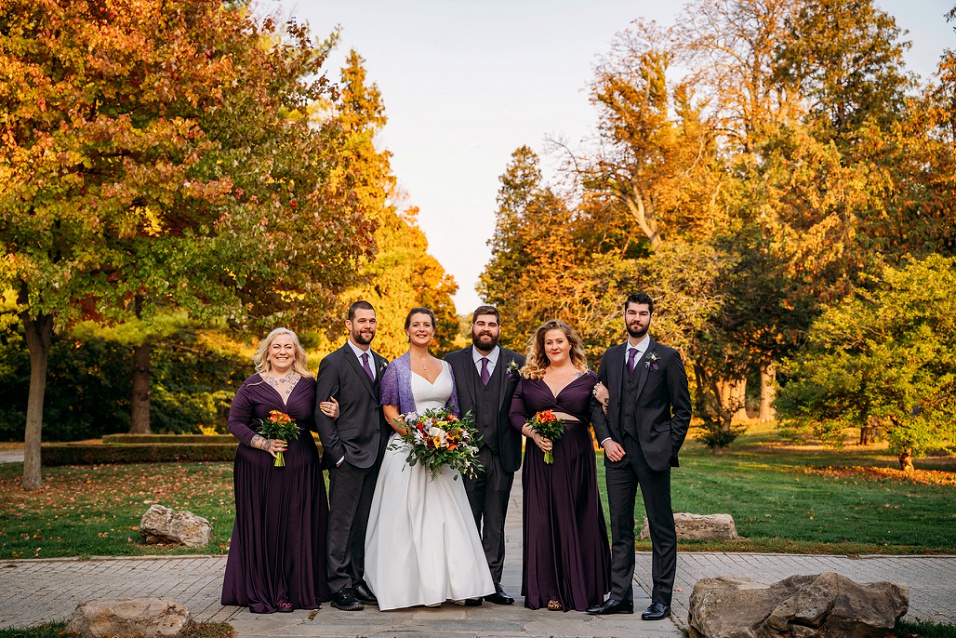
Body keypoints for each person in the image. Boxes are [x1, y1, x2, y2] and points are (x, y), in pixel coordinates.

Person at [364, 307, 495, 610]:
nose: (421, 329)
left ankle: (457, 584)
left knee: (448, 518)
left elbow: (454, 409)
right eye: (416, 325)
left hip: (444, 451)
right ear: (407, 330)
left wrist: (449, 438)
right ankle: (412, 588)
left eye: (427, 325)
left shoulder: (446, 367)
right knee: (407, 518)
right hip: (409, 452)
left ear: (433, 331)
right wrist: (418, 437)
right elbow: (389, 410)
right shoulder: (395, 368)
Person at [587, 292, 692, 621]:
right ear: (624, 315)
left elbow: (683, 410)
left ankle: (661, 599)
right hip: (617, 454)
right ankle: (620, 596)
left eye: (642, 314)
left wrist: (667, 446)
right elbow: (596, 401)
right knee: (620, 527)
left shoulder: (667, 357)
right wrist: (604, 439)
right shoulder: (612, 355)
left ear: (650, 318)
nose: (636, 318)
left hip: (652, 454)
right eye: (631, 313)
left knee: (661, 528)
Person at [221, 328, 332, 614]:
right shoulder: (252, 385)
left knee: (298, 525)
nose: (282, 352)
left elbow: (316, 423)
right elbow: (235, 423)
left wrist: (335, 413)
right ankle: (272, 589)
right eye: (277, 347)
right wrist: (264, 443)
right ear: (267, 351)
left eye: (288, 347)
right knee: (269, 525)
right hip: (260, 469)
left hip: (301, 466)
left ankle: (298, 588)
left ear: (297, 352)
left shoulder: (309, 383)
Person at [508, 320, 610, 612]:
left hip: (577, 454)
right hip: (541, 455)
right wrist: (534, 434)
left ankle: (581, 587)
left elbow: (600, 418)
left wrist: (606, 401)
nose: (554, 347)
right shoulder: (529, 377)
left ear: (570, 344)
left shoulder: (588, 377)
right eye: (548, 342)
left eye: (559, 341)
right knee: (543, 519)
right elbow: (515, 414)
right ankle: (549, 589)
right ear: (542, 347)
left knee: (577, 516)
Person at [444, 305, 525, 605]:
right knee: (466, 520)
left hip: (502, 454)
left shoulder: (517, 362)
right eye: (481, 323)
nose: (486, 328)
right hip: (465, 454)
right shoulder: (452, 361)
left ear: (499, 329)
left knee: (495, 522)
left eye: (492, 324)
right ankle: (469, 584)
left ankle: (492, 583)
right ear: (473, 327)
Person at [314, 300, 389, 612]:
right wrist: (337, 456)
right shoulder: (334, 362)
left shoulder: (383, 363)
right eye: (361, 321)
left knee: (363, 524)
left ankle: (358, 580)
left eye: (371, 321)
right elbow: (321, 413)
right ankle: (339, 585)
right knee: (341, 525)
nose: (367, 326)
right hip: (348, 457)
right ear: (349, 325)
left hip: (376, 457)